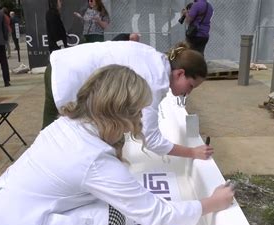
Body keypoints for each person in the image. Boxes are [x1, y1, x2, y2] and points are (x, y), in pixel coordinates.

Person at [0, 64, 235, 225]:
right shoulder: (94, 161)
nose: (141, 118)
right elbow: (157, 214)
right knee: (115, 215)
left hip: (2, 214)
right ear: (122, 112)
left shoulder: (67, 124)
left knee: (108, 204)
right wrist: (211, 203)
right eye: (138, 111)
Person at [44, 41, 213, 160]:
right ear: (180, 74)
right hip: (64, 77)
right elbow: (151, 139)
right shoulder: (154, 80)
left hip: (65, 64)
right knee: (52, 143)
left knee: (111, 137)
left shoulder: (155, 59)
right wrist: (192, 152)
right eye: (190, 86)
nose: (187, 93)